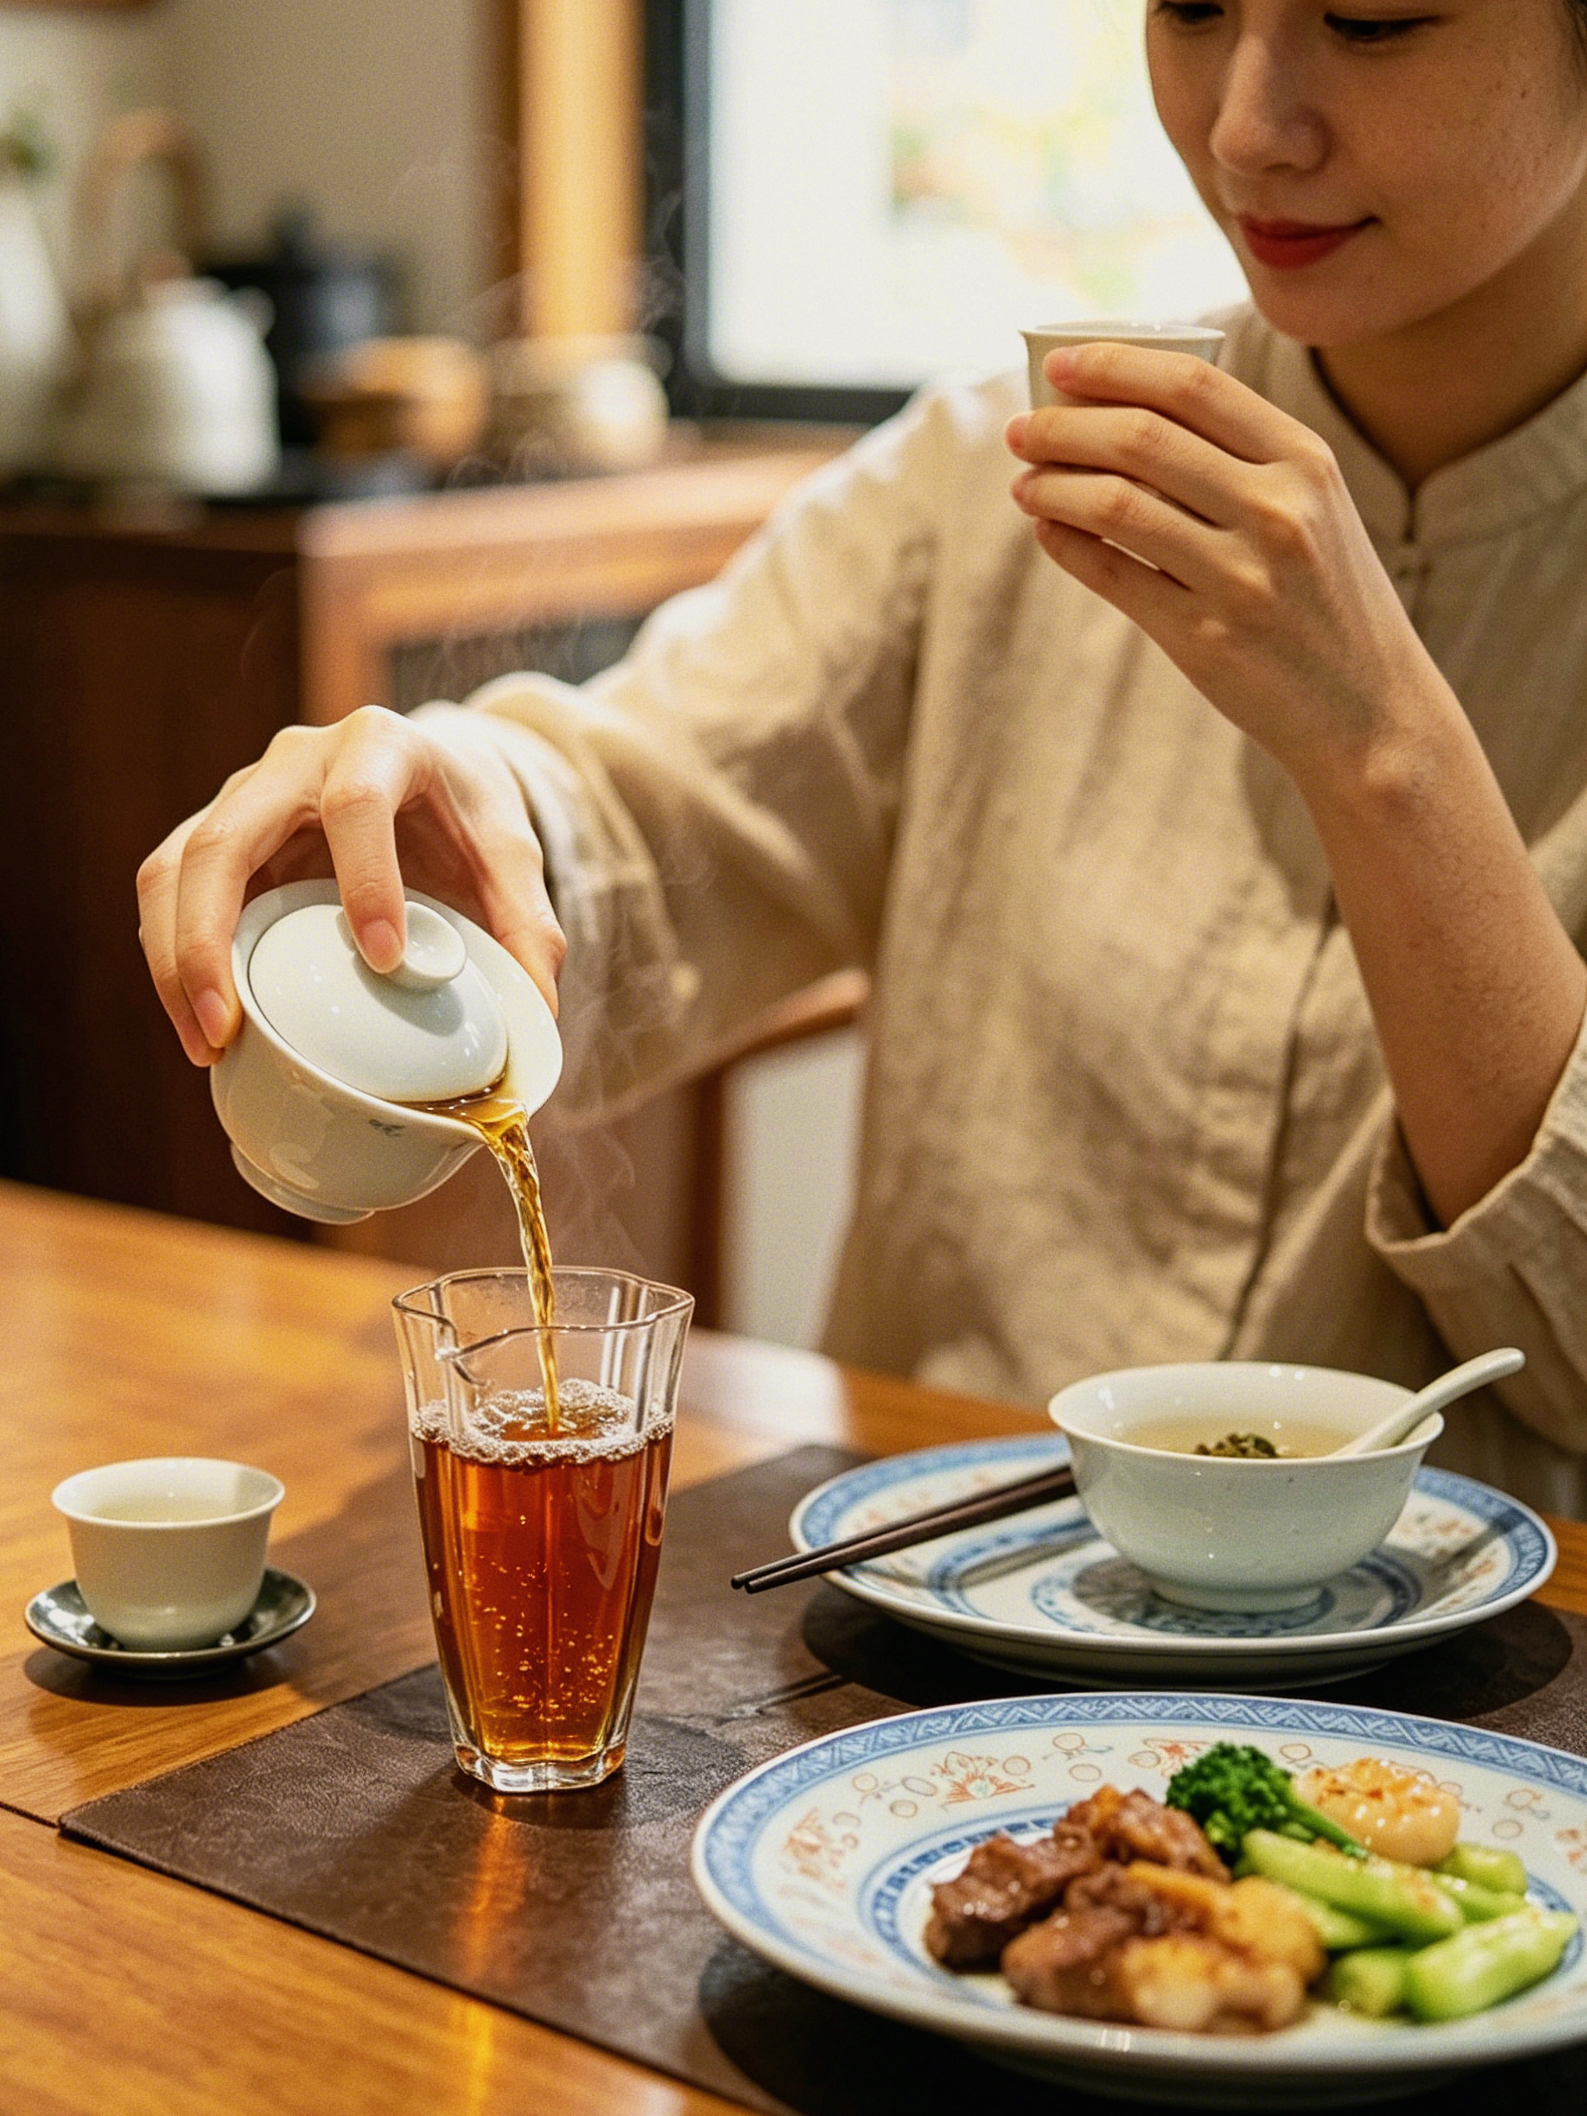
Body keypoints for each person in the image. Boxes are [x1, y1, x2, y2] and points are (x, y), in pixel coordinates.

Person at [138, 1, 1587, 1514]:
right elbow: (650, 807)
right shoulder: (1021, 466)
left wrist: (1387, 753)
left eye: (1373, 18)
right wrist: (442, 829)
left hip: (1461, 1711)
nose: (1243, 125)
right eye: (1192, 8)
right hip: (921, 1627)